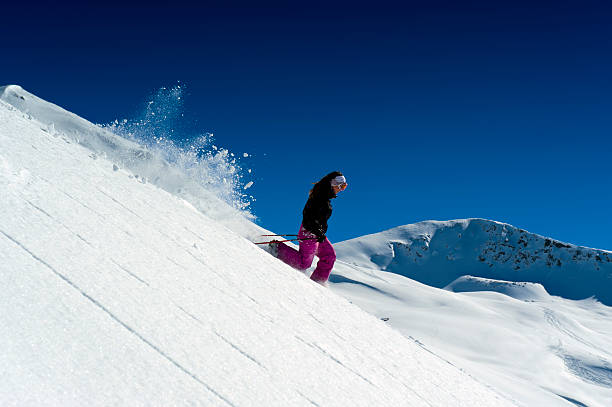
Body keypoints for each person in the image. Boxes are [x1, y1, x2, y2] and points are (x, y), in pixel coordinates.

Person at [272, 171, 347, 284]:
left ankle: (318, 283)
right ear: (333, 184)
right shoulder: (319, 197)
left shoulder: (325, 198)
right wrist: (317, 230)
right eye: (341, 186)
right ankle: (276, 248)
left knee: (329, 256)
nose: (341, 189)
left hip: (317, 234)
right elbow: (307, 215)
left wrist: (320, 232)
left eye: (344, 186)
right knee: (303, 263)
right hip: (309, 232)